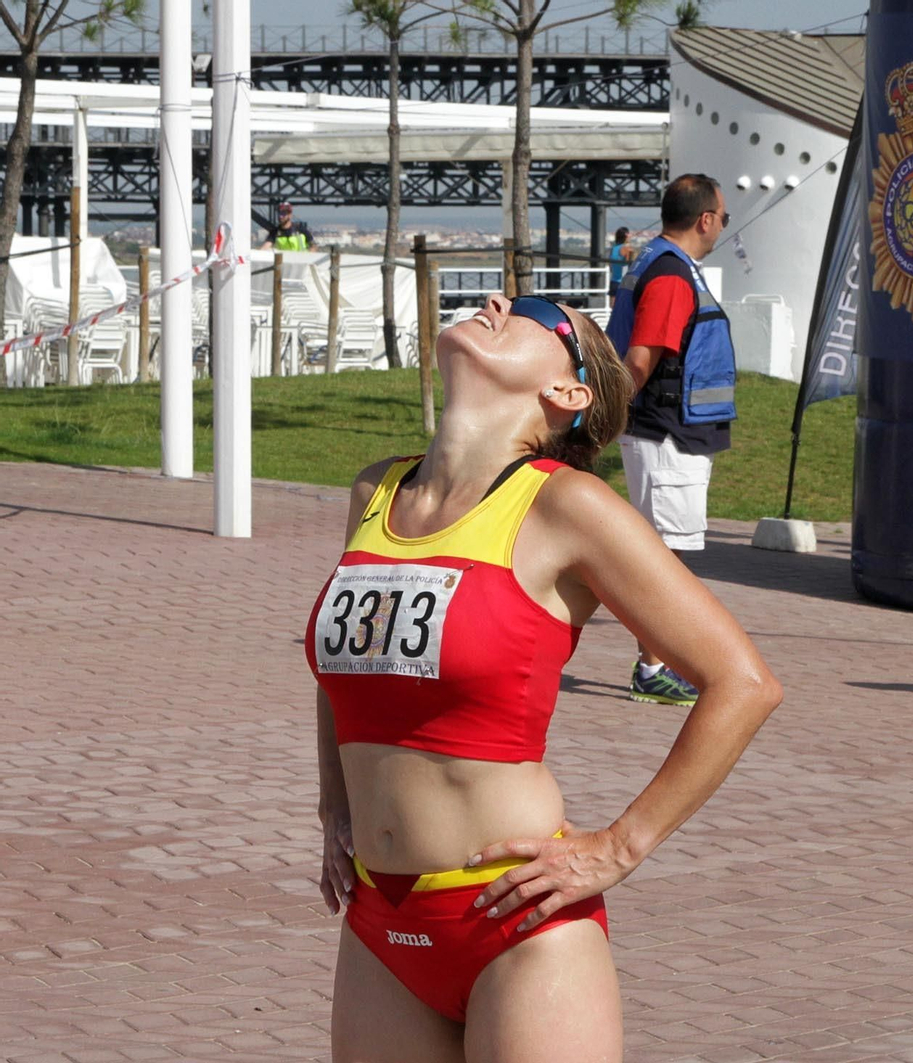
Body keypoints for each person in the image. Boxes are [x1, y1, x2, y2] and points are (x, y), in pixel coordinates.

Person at [308, 292, 782, 1061]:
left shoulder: (570, 507)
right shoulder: (375, 491)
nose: (496, 298)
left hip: (518, 924)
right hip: (379, 918)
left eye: (528, 308)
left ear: (568, 392)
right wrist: (334, 801)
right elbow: (348, 664)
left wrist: (621, 846)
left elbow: (744, 681)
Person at [605, 173, 736, 707]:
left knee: (658, 553)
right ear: (705, 219)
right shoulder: (672, 277)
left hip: (668, 433)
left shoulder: (663, 265)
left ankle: (655, 662)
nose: (722, 225)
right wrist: (606, 419)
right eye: (723, 217)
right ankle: (653, 667)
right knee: (664, 556)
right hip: (665, 434)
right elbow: (640, 360)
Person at [607, 227, 634, 306]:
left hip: (614, 280)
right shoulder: (626, 249)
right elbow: (630, 263)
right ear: (625, 236)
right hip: (623, 282)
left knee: (613, 307)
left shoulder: (613, 248)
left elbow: (610, 266)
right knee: (624, 306)